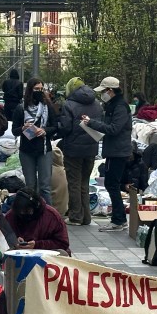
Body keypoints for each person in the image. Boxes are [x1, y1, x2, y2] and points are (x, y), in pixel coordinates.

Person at [81, 76, 132, 232]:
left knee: (112, 185)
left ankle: (119, 220)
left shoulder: (120, 106)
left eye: (103, 91)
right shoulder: (113, 105)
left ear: (110, 91)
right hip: (114, 150)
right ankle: (118, 219)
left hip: (118, 151)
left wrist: (92, 123)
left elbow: (114, 128)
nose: (102, 94)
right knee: (112, 184)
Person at [56, 77, 102, 226]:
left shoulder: (69, 104)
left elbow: (65, 127)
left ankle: (76, 216)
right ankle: (86, 217)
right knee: (84, 182)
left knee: (74, 182)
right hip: (91, 148)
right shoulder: (96, 103)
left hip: (73, 149)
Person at [12, 77, 58, 204]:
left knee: (45, 186)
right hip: (27, 150)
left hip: (44, 149)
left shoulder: (48, 106)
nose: (39, 91)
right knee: (30, 186)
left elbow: (55, 126)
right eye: (36, 89)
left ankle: (48, 215)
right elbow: (14, 130)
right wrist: (23, 128)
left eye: (41, 89)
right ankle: (31, 212)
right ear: (30, 90)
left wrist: (45, 131)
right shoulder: (21, 108)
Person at [5, 188, 70, 254]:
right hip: (19, 253)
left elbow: (63, 243)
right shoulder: (11, 216)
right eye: (20, 213)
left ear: (35, 207)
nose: (23, 214)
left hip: (46, 254)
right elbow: (1, 239)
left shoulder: (52, 216)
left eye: (26, 211)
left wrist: (37, 245)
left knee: (62, 253)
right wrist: (14, 241)